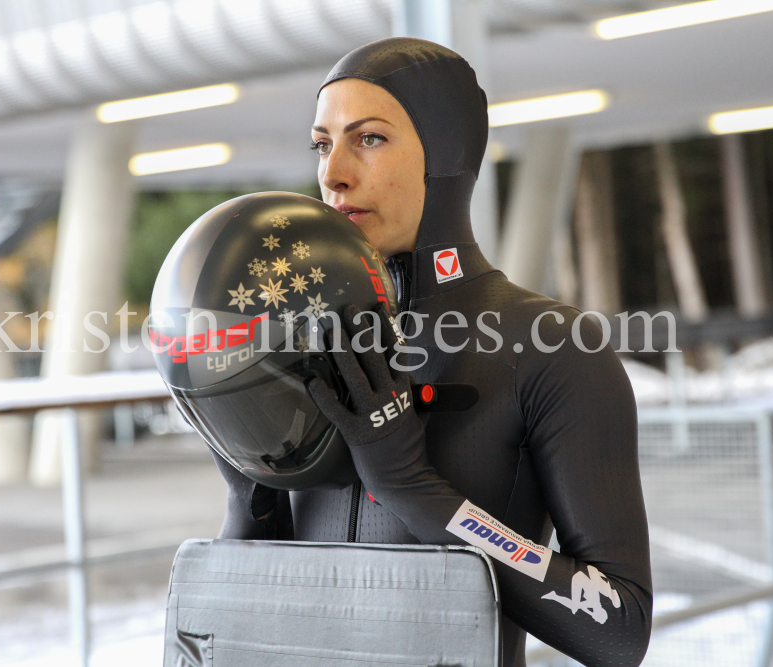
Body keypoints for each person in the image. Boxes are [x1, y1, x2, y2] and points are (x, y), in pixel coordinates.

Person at [210, 37, 652, 667]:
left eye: (369, 138)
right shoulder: (307, 340)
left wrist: (413, 490)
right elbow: (242, 622)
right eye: (322, 143)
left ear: (443, 157)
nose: (332, 172)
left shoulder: (553, 346)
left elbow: (620, 628)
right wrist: (249, 496)